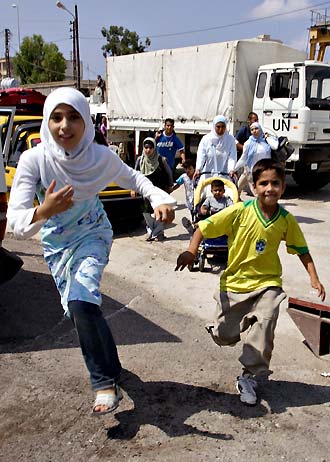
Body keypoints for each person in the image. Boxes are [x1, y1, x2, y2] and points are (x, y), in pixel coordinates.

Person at [7, 87, 176, 416]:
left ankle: (102, 382)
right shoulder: (34, 161)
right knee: (85, 308)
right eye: (56, 117)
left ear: (86, 122)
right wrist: (45, 210)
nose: (64, 126)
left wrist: (159, 199)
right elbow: (17, 225)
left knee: (81, 300)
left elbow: (137, 178)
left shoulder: (100, 157)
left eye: (73, 117)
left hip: (93, 235)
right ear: (47, 121)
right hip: (57, 245)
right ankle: (113, 366)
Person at [175, 158, 325, 406]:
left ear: (283, 187)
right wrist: (191, 251)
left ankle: (249, 376)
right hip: (235, 285)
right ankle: (224, 327)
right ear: (254, 187)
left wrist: (314, 278)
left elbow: (301, 249)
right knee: (224, 336)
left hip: (267, 283)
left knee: (266, 322)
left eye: (275, 183)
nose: (270, 188)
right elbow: (202, 228)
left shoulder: (286, 219)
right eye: (263, 183)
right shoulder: (239, 211)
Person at [134, 137, 173, 241]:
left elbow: (169, 174)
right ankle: (150, 231)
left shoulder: (161, 159)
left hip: (159, 191)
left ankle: (158, 233)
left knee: (159, 212)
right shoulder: (140, 160)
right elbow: (135, 174)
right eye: (146, 147)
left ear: (154, 148)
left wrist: (170, 186)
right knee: (147, 212)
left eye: (150, 148)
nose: (148, 150)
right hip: (146, 192)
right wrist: (133, 188)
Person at [234, 122, 278, 198]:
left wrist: (267, 138)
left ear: (260, 129)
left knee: (246, 186)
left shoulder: (266, 140)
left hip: (264, 170)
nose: (254, 131)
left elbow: (275, 146)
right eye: (252, 129)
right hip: (250, 170)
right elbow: (243, 158)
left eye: (256, 128)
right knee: (254, 192)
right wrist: (234, 169)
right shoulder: (248, 143)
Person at [195, 115, 237, 182]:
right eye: (218, 127)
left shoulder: (230, 140)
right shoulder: (206, 139)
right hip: (208, 175)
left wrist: (231, 169)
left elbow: (232, 157)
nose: (221, 129)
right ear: (214, 126)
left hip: (224, 174)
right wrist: (198, 168)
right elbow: (201, 155)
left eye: (223, 127)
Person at [170, 159, 196, 236]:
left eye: (190, 169)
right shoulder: (184, 177)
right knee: (193, 215)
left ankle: (196, 230)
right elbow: (177, 184)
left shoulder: (198, 177)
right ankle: (194, 230)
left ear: (194, 168)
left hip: (198, 201)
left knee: (197, 217)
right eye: (186, 169)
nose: (188, 171)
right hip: (190, 202)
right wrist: (170, 190)